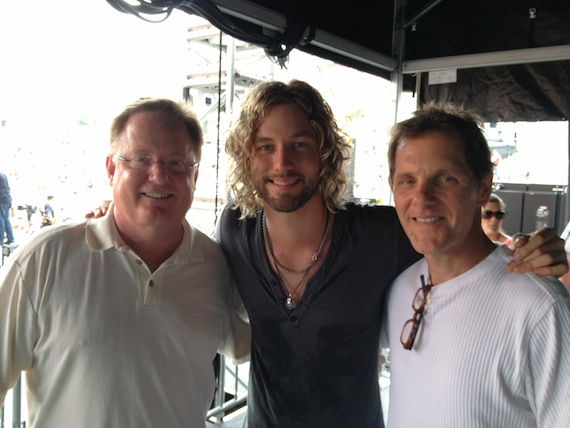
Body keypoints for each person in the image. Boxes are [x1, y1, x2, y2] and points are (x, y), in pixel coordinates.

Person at [215, 80, 568, 427]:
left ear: (325, 154)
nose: (282, 163)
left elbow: (456, 240)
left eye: (300, 144)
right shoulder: (236, 227)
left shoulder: (383, 235)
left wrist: (532, 248)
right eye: (264, 147)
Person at [0, 98, 249, 427]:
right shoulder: (43, 259)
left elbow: (256, 346)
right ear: (112, 170)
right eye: (142, 159)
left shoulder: (217, 265)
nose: (159, 176)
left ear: (195, 176)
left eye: (176, 163)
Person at [385, 103, 570, 427]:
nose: (422, 197)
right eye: (407, 180)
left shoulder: (540, 306)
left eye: (445, 178)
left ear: (483, 186)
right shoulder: (400, 287)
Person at [0, 170, 15, 244]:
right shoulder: (3, 174)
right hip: (7, 200)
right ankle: (11, 238)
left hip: (2, 200)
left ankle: (1, 239)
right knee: (6, 219)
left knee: (1, 220)